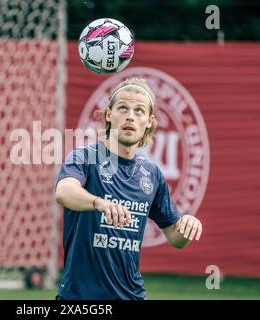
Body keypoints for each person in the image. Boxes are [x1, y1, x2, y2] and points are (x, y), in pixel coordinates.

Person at [55, 77, 203, 300]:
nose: (130, 116)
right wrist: (99, 203)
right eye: (123, 108)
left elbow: (174, 237)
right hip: (79, 298)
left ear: (149, 121)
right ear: (108, 114)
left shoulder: (152, 174)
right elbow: (64, 191)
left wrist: (188, 226)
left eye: (139, 111)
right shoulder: (85, 157)